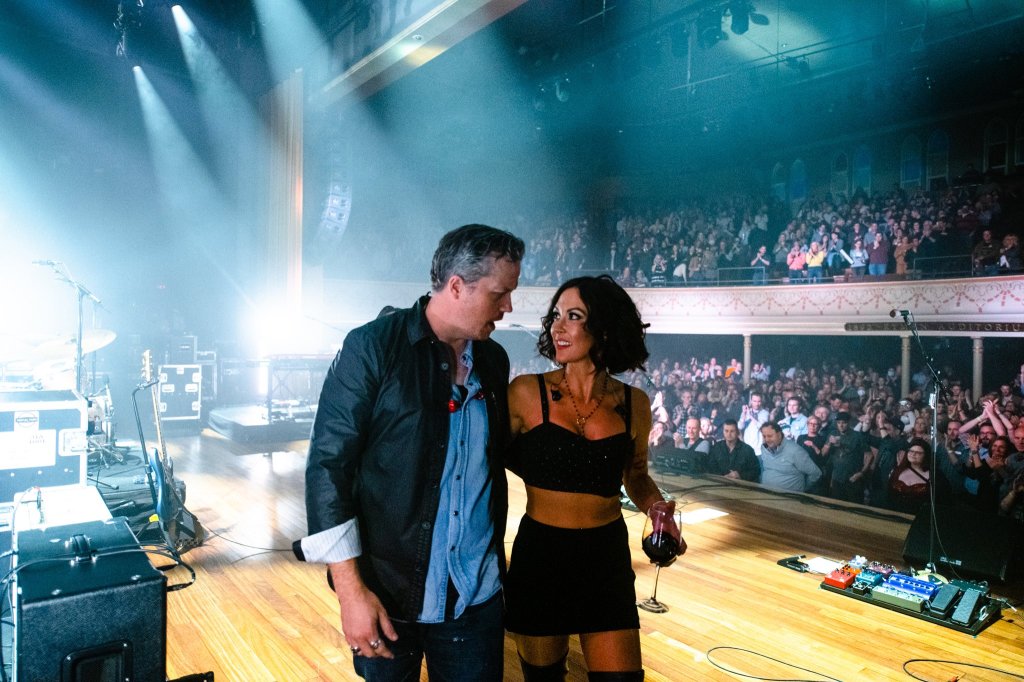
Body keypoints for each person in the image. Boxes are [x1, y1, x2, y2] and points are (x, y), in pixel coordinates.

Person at [298, 224, 524, 681]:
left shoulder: (493, 360)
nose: (508, 307)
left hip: (474, 597)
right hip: (388, 597)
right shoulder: (372, 346)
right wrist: (351, 593)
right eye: (500, 293)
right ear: (457, 286)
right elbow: (328, 467)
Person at [505, 275, 675, 682]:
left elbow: (636, 476)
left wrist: (658, 512)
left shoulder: (635, 403)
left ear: (603, 328)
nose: (557, 327)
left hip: (605, 558)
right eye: (555, 316)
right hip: (541, 556)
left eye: (573, 316)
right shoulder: (525, 393)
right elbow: (487, 461)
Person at [759, 422, 823, 492]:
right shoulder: (764, 448)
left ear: (779, 435)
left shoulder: (795, 451)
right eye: (764, 436)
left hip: (788, 496)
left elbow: (815, 473)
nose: (767, 439)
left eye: (770, 436)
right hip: (765, 493)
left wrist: (803, 489)